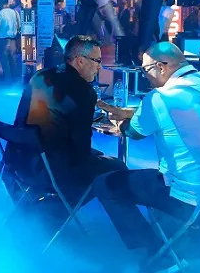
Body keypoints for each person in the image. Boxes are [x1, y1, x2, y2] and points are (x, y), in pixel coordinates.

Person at [93, 42, 200, 265]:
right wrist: (135, 112)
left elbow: (132, 132)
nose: (145, 76)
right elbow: (193, 112)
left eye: (145, 70)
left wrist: (120, 119)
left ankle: (159, 250)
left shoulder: (160, 97)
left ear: (161, 67)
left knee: (106, 184)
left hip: (198, 204)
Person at [15, 35, 126, 203]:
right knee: (119, 167)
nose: (100, 67)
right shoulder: (83, 91)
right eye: (97, 60)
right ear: (80, 61)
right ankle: (58, 209)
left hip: (19, 162)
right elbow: (81, 150)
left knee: (96, 158)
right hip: (53, 172)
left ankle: (52, 207)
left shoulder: (40, 76)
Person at [0, 0, 20, 82]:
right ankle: (15, 82)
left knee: (5, 63)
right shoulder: (15, 13)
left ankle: (7, 82)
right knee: (13, 62)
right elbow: (19, 26)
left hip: (2, 41)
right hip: (13, 41)